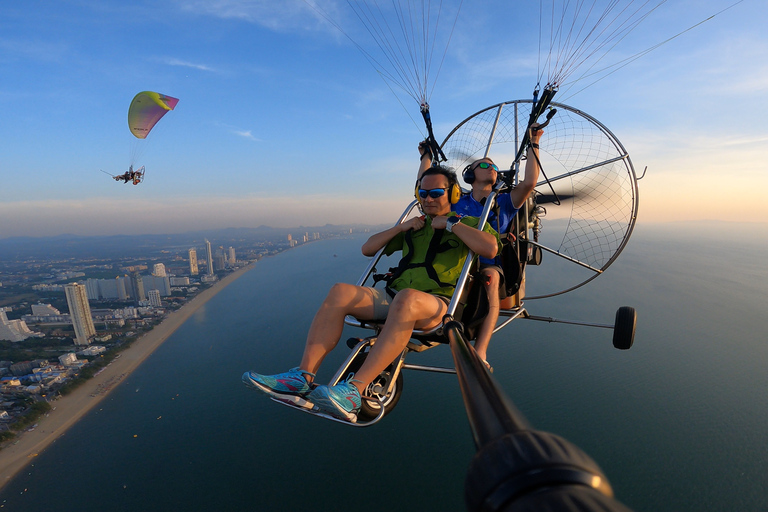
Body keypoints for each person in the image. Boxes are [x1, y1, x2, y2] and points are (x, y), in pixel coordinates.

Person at [243, 165, 500, 422]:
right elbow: (368, 248)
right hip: (398, 298)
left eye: (435, 193)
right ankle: (303, 377)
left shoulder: (469, 224)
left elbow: (490, 249)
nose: (428, 199)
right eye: (423, 193)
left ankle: (355, 391)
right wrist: (402, 228)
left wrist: (452, 224)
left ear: (453, 193)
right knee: (340, 292)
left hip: (440, 306)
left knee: (407, 298)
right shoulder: (416, 227)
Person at [418, 125, 543, 372]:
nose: (492, 168)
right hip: (455, 260)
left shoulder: (505, 202)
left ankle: (481, 350)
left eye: (494, 167)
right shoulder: (458, 200)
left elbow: (529, 182)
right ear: (470, 175)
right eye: (485, 165)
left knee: (490, 280)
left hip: (487, 261)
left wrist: (534, 142)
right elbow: (426, 190)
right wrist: (425, 157)